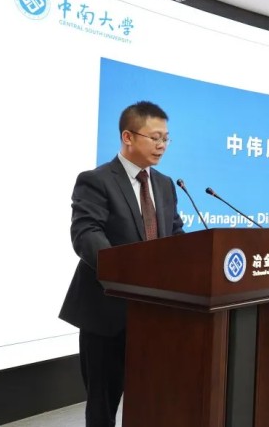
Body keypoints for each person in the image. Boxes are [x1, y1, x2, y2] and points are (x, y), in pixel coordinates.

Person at [59, 101, 184, 427]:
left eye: (166, 138)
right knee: (103, 407)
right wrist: (128, 273)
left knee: (153, 400)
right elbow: (86, 234)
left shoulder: (165, 184)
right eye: (154, 137)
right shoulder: (96, 180)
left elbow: (175, 234)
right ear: (128, 137)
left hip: (155, 314)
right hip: (107, 312)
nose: (161, 145)